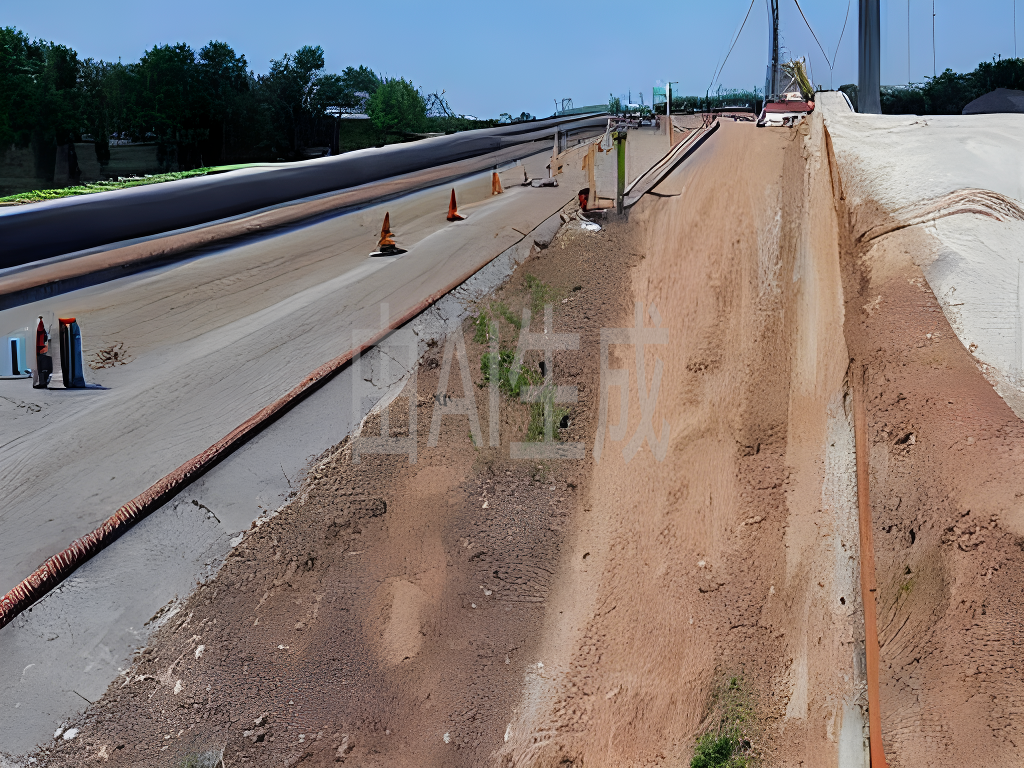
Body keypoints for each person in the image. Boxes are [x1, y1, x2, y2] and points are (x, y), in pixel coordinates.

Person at [33, 316, 52, 389]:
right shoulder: (44, 328)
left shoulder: (41, 327)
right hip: (41, 349)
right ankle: (42, 383)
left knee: (42, 368)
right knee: (42, 368)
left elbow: (40, 329)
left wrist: (40, 321)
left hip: (42, 349)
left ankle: (43, 383)